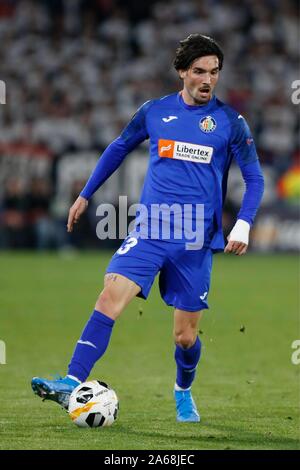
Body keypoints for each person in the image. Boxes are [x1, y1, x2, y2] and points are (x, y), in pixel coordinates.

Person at [31, 34, 264, 422]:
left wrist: (243, 223)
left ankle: (183, 389)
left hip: (195, 239)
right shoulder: (155, 112)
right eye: (199, 72)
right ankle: (72, 380)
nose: (208, 80)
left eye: (215, 72)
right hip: (151, 228)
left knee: (185, 337)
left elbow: (254, 178)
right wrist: (86, 194)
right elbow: (119, 146)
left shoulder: (229, 122)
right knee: (109, 297)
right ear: (181, 72)